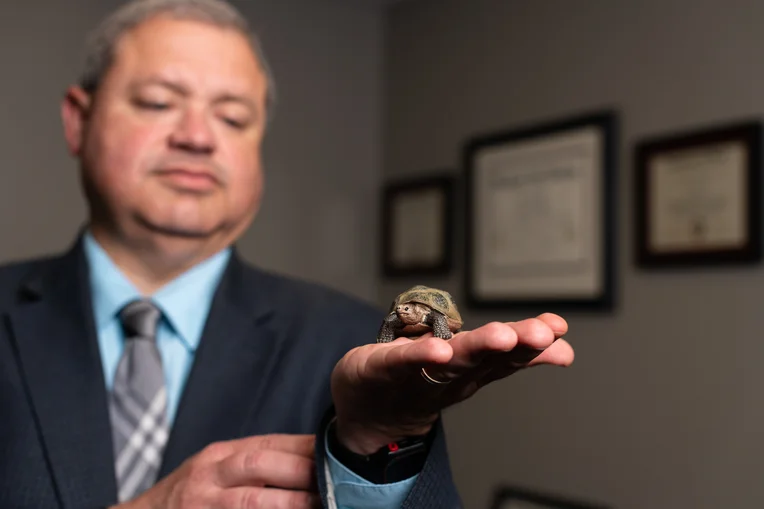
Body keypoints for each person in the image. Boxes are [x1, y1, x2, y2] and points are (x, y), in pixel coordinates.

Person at [0, 0, 575, 508]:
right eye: (157, 102)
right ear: (78, 120)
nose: (198, 136)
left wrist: (376, 447)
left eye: (233, 117)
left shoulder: (359, 345)